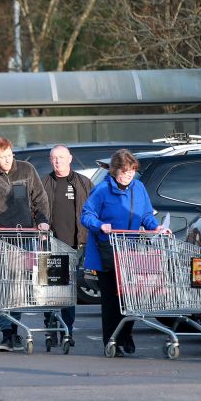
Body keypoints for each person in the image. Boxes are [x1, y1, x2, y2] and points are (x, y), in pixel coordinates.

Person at [81, 149, 166, 357]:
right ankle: (112, 341)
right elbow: (86, 215)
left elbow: (146, 214)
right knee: (111, 300)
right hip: (107, 251)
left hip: (131, 252)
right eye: (125, 172)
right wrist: (101, 225)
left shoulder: (139, 187)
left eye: (132, 172)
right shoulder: (102, 190)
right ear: (115, 171)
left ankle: (126, 335)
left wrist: (155, 227)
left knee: (130, 297)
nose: (129, 176)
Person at [0, 137, 50, 352]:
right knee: (4, 285)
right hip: (0, 239)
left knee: (19, 285)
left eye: (9, 156)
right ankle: (8, 333)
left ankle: (13, 329)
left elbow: (40, 198)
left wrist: (42, 221)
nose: (6, 160)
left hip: (24, 237)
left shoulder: (26, 170)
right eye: (2, 157)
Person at [42, 145, 93, 332]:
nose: (57, 161)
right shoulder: (44, 183)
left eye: (61, 157)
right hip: (50, 243)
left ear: (70, 158)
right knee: (49, 285)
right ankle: (50, 323)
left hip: (75, 244)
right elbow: (36, 209)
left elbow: (93, 210)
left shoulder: (83, 183)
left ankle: (67, 327)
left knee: (68, 287)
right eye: (54, 158)